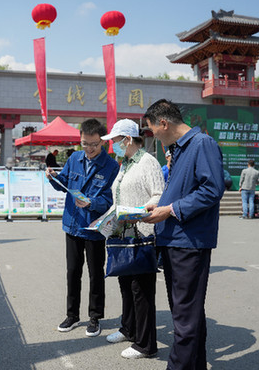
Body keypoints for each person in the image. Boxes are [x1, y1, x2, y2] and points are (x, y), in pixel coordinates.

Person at [142, 99, 225, 370]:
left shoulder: (202, 144)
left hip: (188, 242)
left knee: (185, 320)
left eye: (153, 130)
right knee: (189, 315)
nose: (153, 136)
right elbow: (183, 189)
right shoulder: (180, 149)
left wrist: (170, 209)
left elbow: (212, 190)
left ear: (164, 123)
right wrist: (161, 203)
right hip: (176, 240)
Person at [46, 119, 119, 337]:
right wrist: (53, 178)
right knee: (72, 272)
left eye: (93, 145)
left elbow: (110, 199)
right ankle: (72, 315)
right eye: (84, 143)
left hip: (94, 228)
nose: (88, 149)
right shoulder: (74, 158)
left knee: (95, 274)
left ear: (103, 143)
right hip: (72, 224)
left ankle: (95, 317)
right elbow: (64, 184)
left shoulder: (111, 166)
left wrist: (92, 203)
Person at [100, 119, 164, 359]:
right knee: (126, 284)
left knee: (141, 290)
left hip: (142, 235)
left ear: (127, 139)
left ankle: (146, 344)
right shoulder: (124, 163)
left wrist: (138, 211)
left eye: (115, 141)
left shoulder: (148, 163)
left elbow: (159, 196)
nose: (113, 146)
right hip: (122, 234)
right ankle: (128, 329)